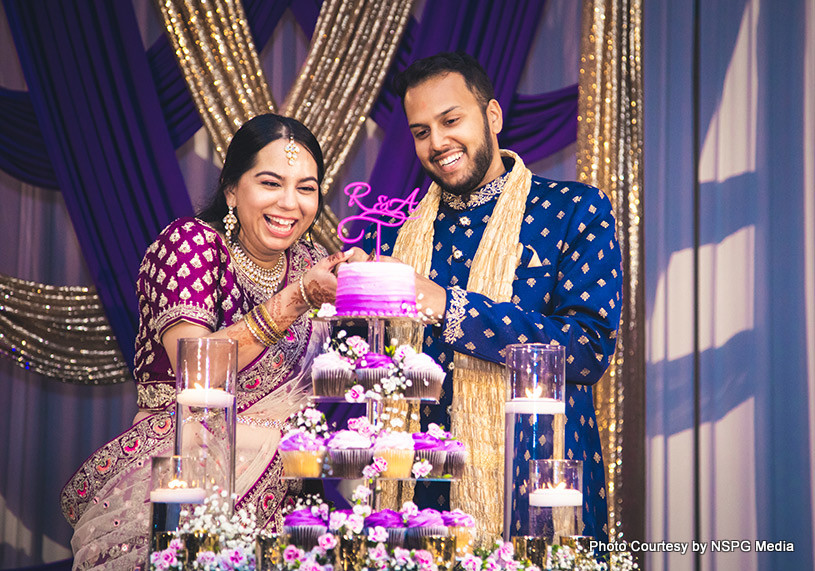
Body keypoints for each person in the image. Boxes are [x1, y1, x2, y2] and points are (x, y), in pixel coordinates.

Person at [60, 114, 349, 569]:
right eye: (271, 183)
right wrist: (298, 300)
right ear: (232, 189)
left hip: (283, 493)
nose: (290, 203)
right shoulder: (190, 244)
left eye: (306, 188)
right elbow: (195, 368)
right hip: (186, 472)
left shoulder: (311, 262)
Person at [360, 52, 622, 544]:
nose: (437, 143)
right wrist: (355, 296)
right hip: (423, 499)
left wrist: (447, 306)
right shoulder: (406, 237)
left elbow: (586, 352)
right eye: (421, 132)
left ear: (493, 116)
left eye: (451, 120)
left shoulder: (573, 210)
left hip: (538, 489)